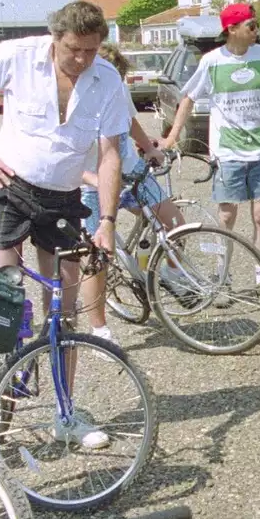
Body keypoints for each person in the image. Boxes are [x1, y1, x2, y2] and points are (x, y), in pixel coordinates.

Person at [0, 0, 133, 438]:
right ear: (55, 38)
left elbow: (108, 156)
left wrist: (106, 221)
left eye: (91, 50)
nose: (82, 60)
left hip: (63, 198)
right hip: (7, 187)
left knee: (64, 310)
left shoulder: (107, 81)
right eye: (73, 50)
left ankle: (65, 414)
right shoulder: (17, 55)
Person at [158, 2, 260, 291]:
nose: (257, 31)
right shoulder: (211, 61)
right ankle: (223, 277)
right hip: (227, 150)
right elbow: (188, 99)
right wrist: (171, 137)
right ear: (232, 29)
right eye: (251, 26)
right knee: (227, 217)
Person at [78, 45, 167, 340]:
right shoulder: (71, 97)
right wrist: (92, 179)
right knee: (97, 259)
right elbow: (60, 158)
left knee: (172, 221)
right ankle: (99, 328)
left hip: (130, 173)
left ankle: (161, 273)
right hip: (92, 186)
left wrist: (151, 148)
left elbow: (130, 123)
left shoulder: (115, 87)